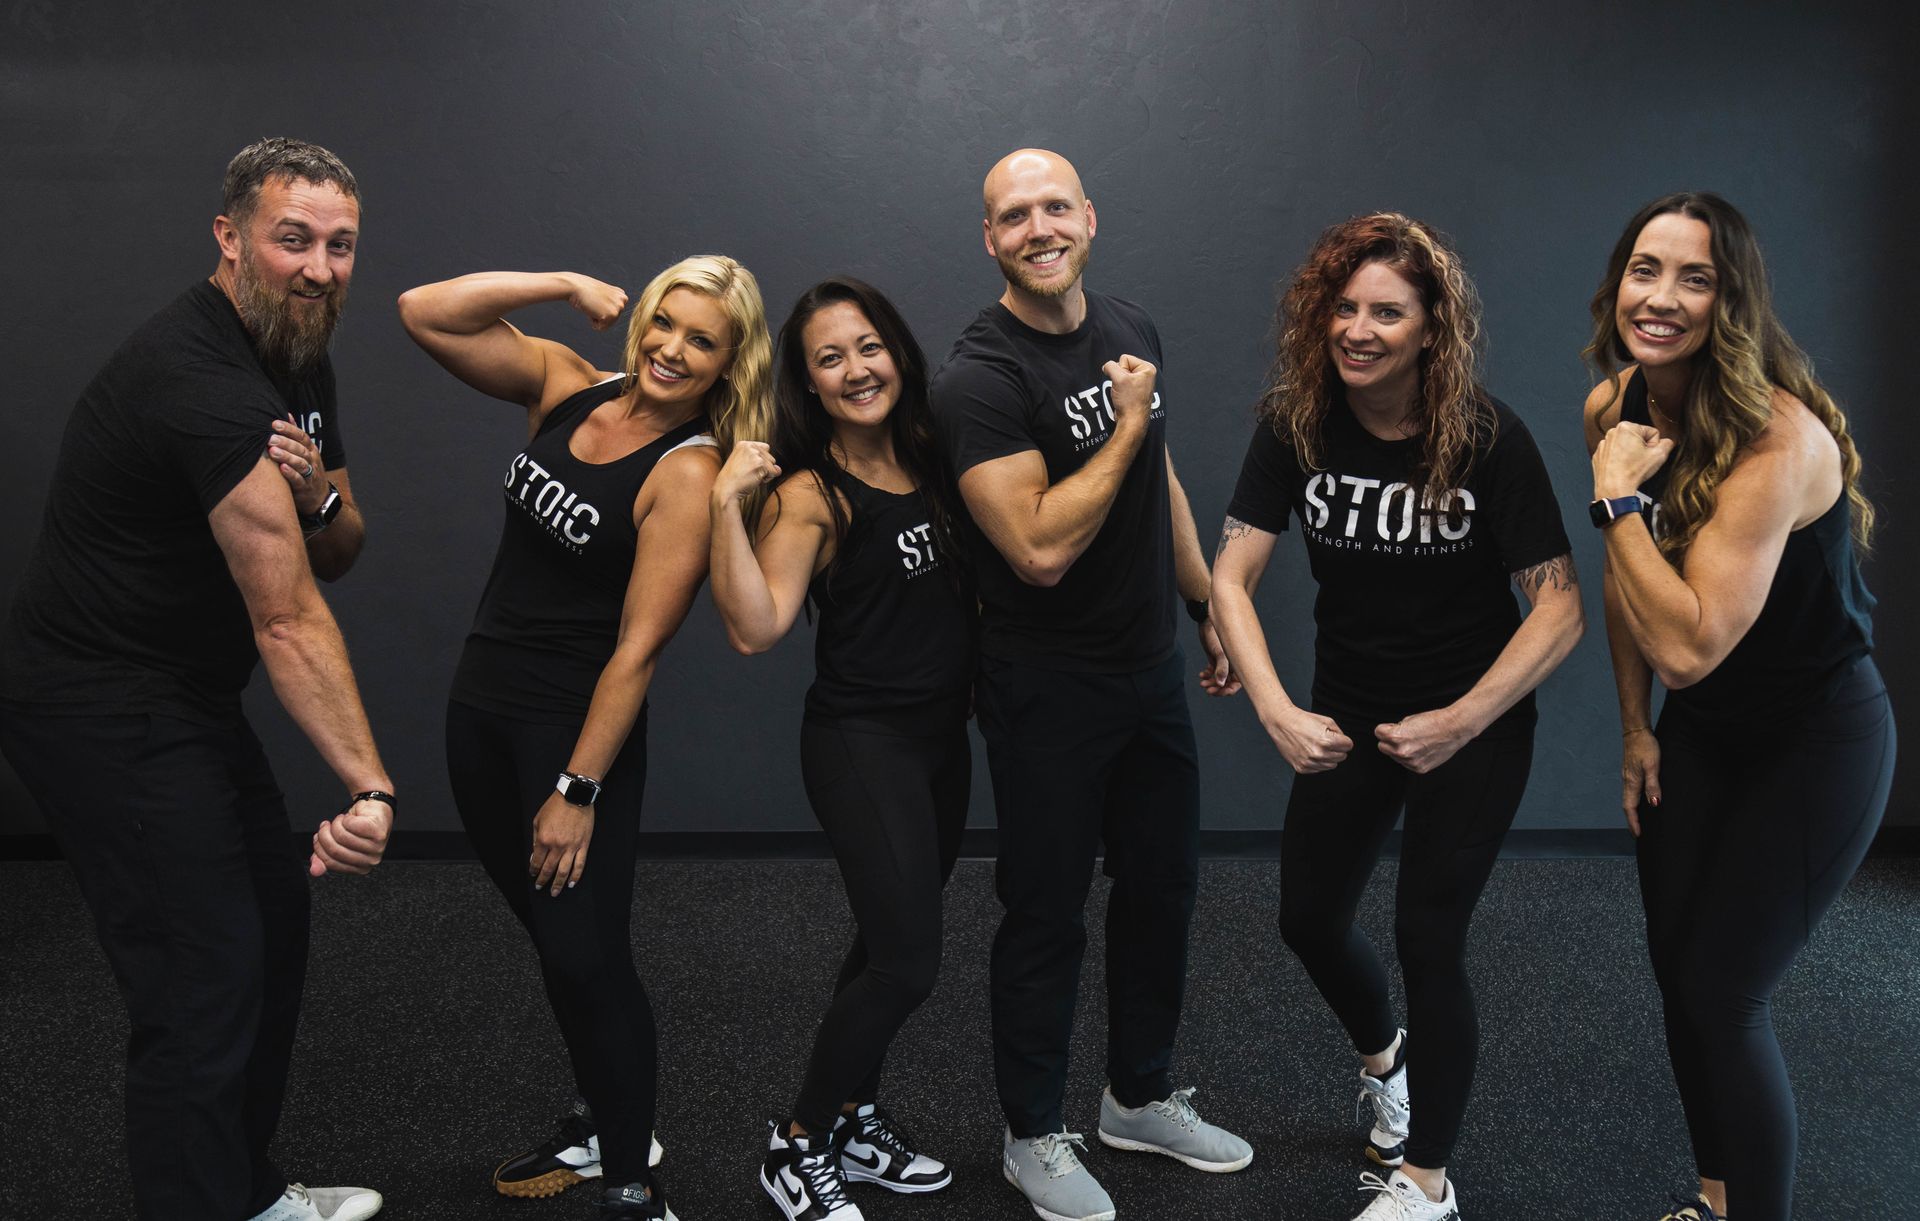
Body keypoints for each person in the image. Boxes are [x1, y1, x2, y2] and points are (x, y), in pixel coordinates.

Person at [0, 137, 393, 1221]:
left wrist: (317, 498)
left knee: (270, 925)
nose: (319, 268)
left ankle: (243, 1192)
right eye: (293, 239)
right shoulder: (203, 382)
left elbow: (342, 542)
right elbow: (288, 613)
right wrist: (370, 787)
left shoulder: (296, 348)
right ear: (229, 237)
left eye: (341, 245)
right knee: (200, 977)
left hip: (180, 692)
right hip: (94, 702)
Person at [1209, 213, 1584, 1221]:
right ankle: (1387, 1062)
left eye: (1387, 312)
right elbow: (1231, 578)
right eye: (1345, 307)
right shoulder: (1297, 426)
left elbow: (1560, 607)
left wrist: (1461, 720)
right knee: (1307, 919)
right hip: (1350, 715)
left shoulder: (1486, 438)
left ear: (1431, 330)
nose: (1359, 329)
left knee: (1429, 935)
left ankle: (1427, 1180)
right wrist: (1281, 712)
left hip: (1477, 721)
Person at [398, 257, 772, 1221]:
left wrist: (577, 789)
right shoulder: (572, 387)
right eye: (666, 324)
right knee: (561, 939)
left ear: (729, 365)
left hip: (570, 733)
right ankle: (607, 1115)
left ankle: (632, 1181)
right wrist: (561, 282)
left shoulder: (685, 471)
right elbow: (423, 312)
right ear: (642, 317)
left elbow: (639, 652)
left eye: (702, 340)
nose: (672, 349)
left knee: (585, 957)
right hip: (478, 708)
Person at [928, 148, 1252, 1221]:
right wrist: (1121, 426)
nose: (1037, 227)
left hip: (1145, 667)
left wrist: (1205, 604)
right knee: (1047, 911)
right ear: (990, 241)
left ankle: (1139, 1095)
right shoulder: (979, 379)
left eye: (1053, 205)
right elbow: (1035, 549)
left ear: (1089, 217)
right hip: (1044, 687)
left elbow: (1154, 472)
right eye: (1013, 215)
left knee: (1163, 889)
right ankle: (1031, 1133)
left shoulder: (1129, 328)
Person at [1582, 192, 1894, 1221]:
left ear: (1734, 303)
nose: (1660, 298)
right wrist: (1634, 730)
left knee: (1725, 995)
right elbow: (1634, 598)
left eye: (1695, 277)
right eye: (1645, 269)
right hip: (1706, 735)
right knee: (1683, 979)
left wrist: (1620, 500)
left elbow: (1688, 642)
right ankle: (1718, 1202)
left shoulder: (1778, 444)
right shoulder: (1616, 411)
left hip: (1818, 740)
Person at [708, 277, 973, 1221]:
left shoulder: (936, 454)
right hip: (864, 742)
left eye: (868, 347)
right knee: (907, 960)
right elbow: (754, 627)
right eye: (831, 358)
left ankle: (855, 1116)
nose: (856, 369)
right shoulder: (812, 493)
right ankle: (798, 1139)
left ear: (896, 350)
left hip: (944, 742)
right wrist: (724, 510)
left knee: (882, 939)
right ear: (809, 385)